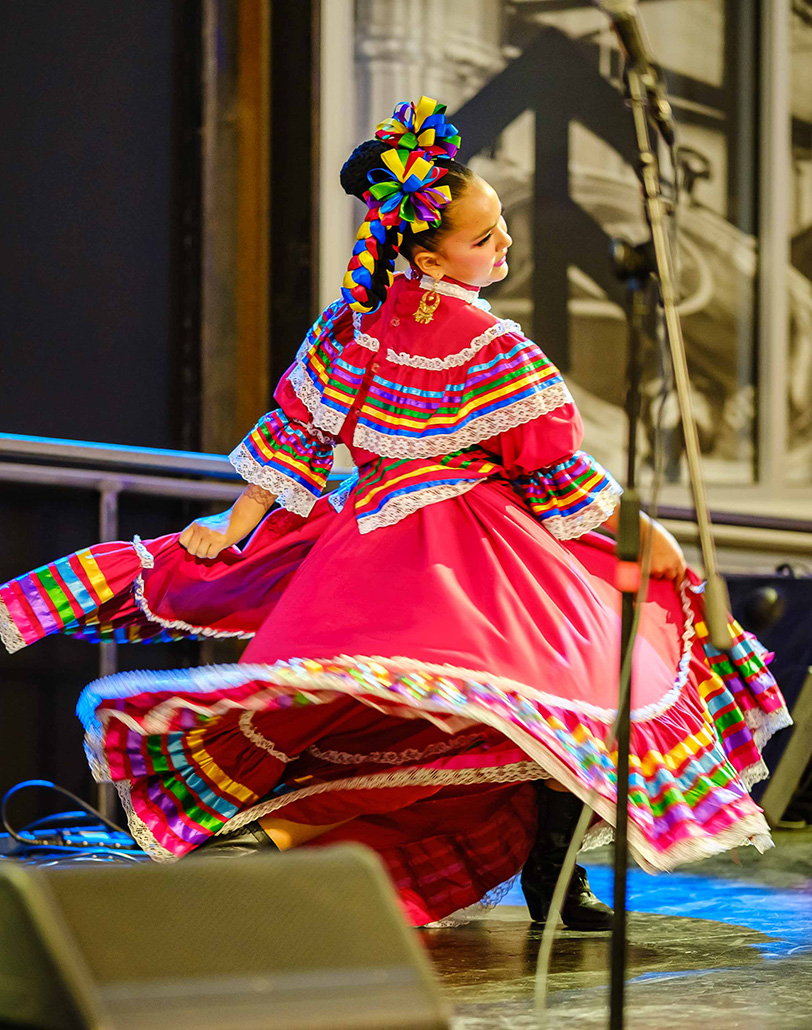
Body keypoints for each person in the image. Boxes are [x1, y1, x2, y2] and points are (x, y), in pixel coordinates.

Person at [0, 97, 789, 931]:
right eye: (484, 239)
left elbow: (294, 434)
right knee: (581, 674)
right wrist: (644, 535)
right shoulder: (489, 346)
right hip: (471, 549)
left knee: (419, 702)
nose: (504, 247)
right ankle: (537, 875)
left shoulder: (353, 326)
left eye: (500, 230)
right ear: (427, 252)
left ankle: (345, 852)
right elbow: (552, 469)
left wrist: (238, 526)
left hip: (372, 538)